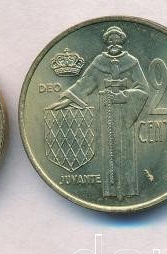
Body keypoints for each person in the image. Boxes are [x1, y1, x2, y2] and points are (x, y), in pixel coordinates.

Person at [48, 26, 149, 199]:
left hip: (125, 111)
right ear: (107, 42)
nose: (114, 43)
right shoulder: (99, 61)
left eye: (117, 39)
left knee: (125, 149)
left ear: (122, 41)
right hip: (106, 109)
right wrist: (69, 99)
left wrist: (124, 95)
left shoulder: (132, 61)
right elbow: (86, 82)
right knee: (107, 148)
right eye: (111, 40)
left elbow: (143, 88)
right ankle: (110, 191)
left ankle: (127, 190)